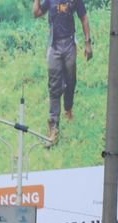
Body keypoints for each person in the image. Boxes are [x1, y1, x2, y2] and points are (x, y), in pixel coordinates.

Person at [35, 0, 93, 140]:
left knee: (70, 81)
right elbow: (37, 13)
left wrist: (88, 43)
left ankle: (68, 108)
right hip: (54, 45)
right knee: (54, 85)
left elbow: (84, 18)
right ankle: (54, 125)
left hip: (69, 44)